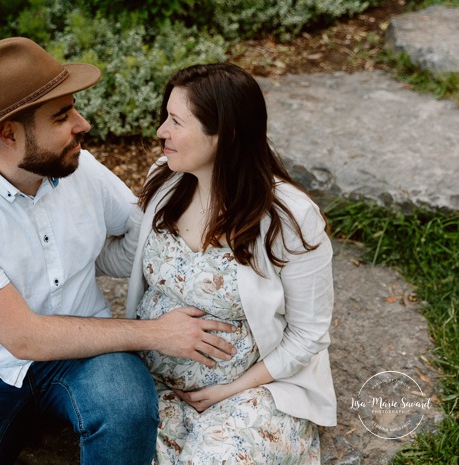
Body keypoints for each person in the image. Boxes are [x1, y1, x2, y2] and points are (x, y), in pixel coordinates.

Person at [0, 37, 237, 465]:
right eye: (62, 116)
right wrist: (157, 333)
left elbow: (138, 240)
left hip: (88, 356)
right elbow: (23, 337)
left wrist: (182, 195)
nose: (83, 124)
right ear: (8, 132)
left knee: (128, 409)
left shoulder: (80, 169)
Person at [126, 62, 336, 464]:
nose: (161, 133)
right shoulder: (166, 180)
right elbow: (123, 252)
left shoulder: (288, 217)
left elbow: (309, 334)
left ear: (227, 133)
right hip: (154, 386)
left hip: (251, 393)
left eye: (176, 121)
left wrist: (227, 390)